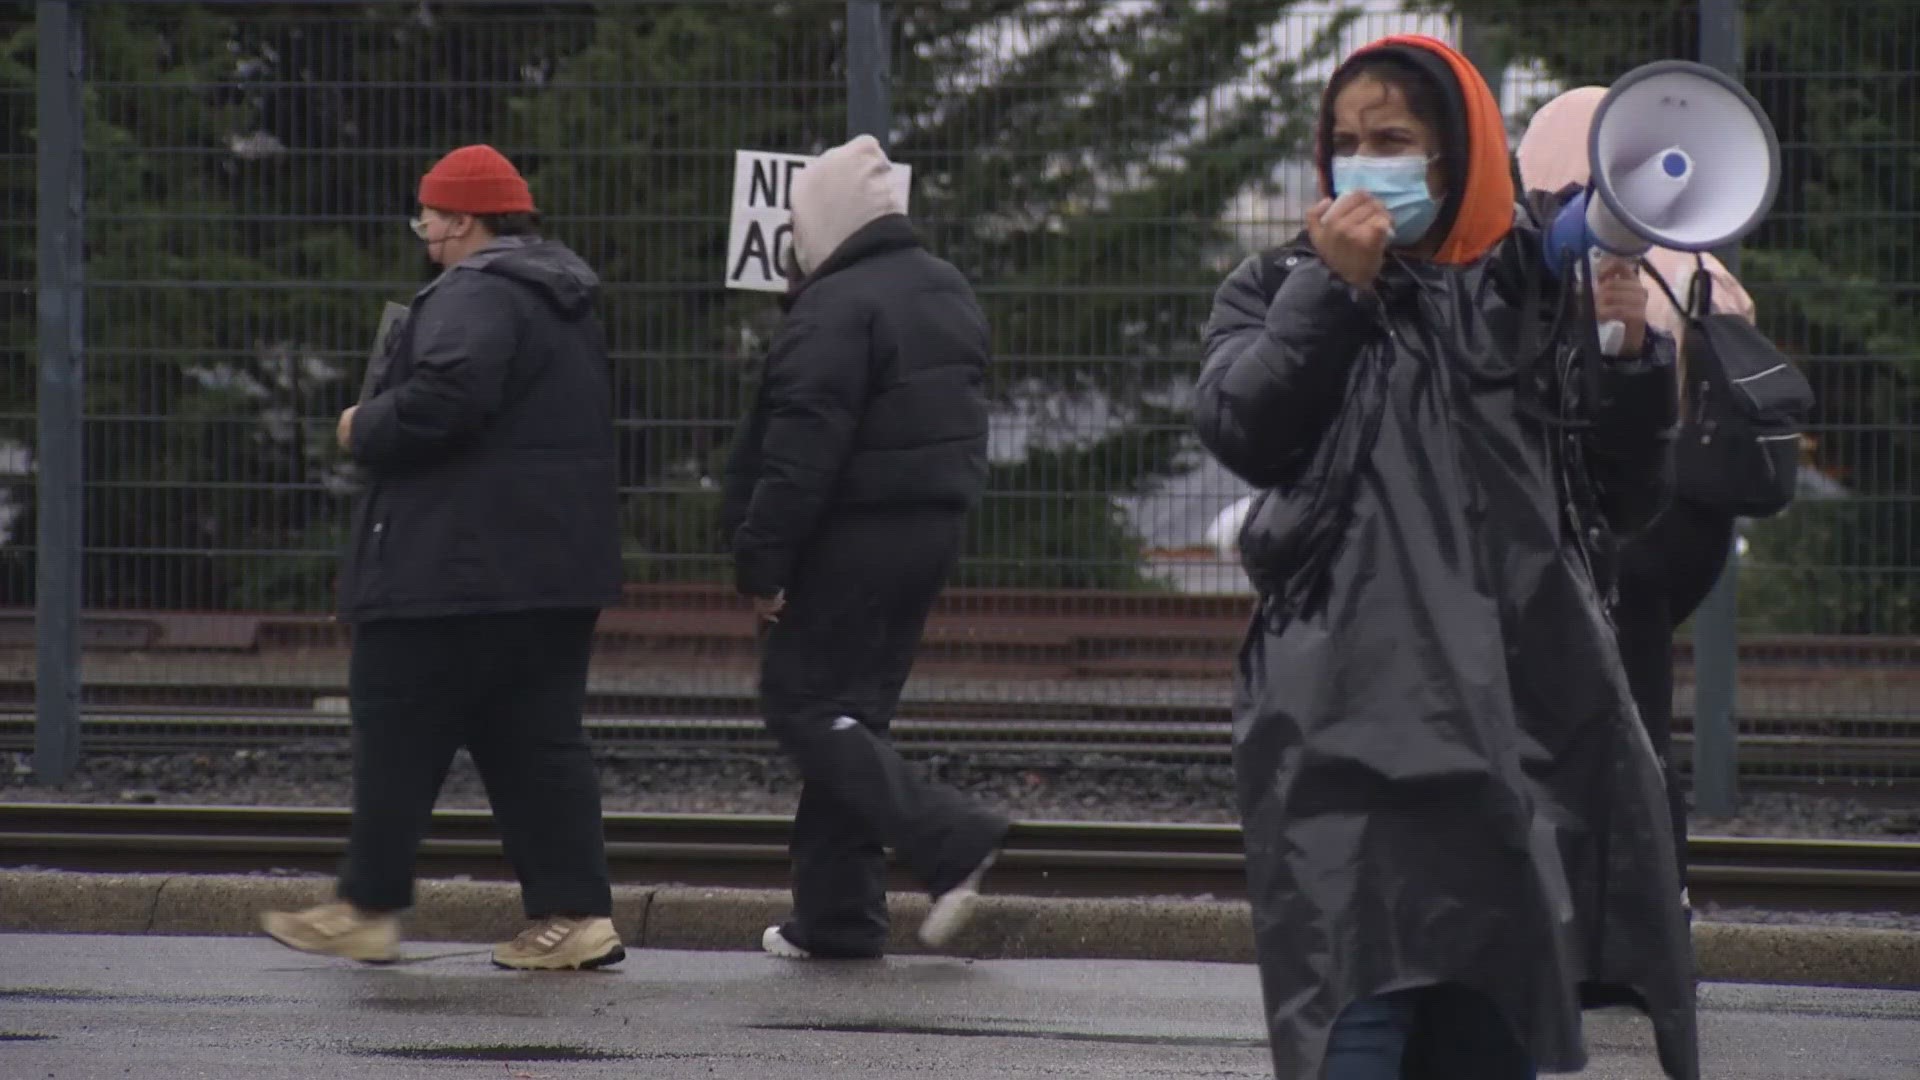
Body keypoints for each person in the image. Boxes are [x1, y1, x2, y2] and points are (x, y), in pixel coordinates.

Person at [1193, 36, 1698, 1080]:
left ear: (1454, 156)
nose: (1362, 166)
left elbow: (1618, 503)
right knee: (1354, 1016)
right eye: (1345, 144)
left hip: (1515, 728)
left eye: (1393, 142)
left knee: (1488, 1023)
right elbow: (1242, 426)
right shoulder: (1277, 283)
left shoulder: (1525, 290)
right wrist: (1330, 294)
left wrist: (1628, 358)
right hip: (1345, 726)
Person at [261, 144, 626, 971]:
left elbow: (449, 398)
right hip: (546, 568)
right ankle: (575, 916)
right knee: (536, 738)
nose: (422, 230)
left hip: (453, 566)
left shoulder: (477, 291)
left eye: (427, 214)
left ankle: (368, 904)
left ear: (462, 219)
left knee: (393, 719)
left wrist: (366, 424)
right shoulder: (562, 300)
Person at [723, 134, 1008, 961]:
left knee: (804, 705)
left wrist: (763, 565)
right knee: (851, 718)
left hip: (852, 531)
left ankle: (951, 836)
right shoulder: (944, 287)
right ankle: (839, 921)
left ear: (824, 223)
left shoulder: (836, 304)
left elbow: (799, 451)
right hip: (929, 530)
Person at [1518, 86, 1761, 899]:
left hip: (1622, 526)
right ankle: (1657, 907)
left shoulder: (1572, 262)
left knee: (1602, 728)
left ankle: (1623, 914)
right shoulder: (1703, 266)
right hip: (1697, 523)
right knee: (1641, 718)